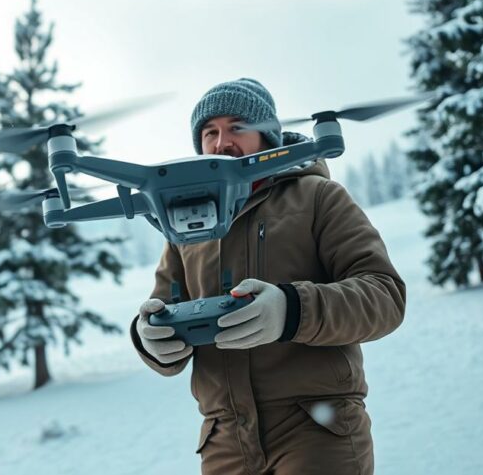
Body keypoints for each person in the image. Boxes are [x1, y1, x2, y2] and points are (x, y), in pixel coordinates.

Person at [130, 78, 406, 475]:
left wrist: (290, 310)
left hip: (316, 428)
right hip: (224, 440)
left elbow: (384, 296)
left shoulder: (318, 197)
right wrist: (149, 338)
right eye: (210, 133)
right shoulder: (188, 227)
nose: (222, 142)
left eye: (237, 127)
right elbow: (165, 310)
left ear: (269, 135)